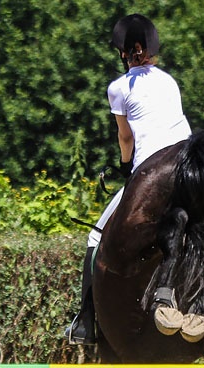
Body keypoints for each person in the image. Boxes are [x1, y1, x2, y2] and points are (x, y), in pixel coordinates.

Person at [66, 13, 191, 345]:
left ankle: (86, 322)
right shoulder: (169, 82)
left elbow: (126, 139)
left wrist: (125, 168)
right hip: (188, 169)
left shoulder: (118, 88)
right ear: (151, 49)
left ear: (124, 52)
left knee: (94, 240)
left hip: (151, 171)